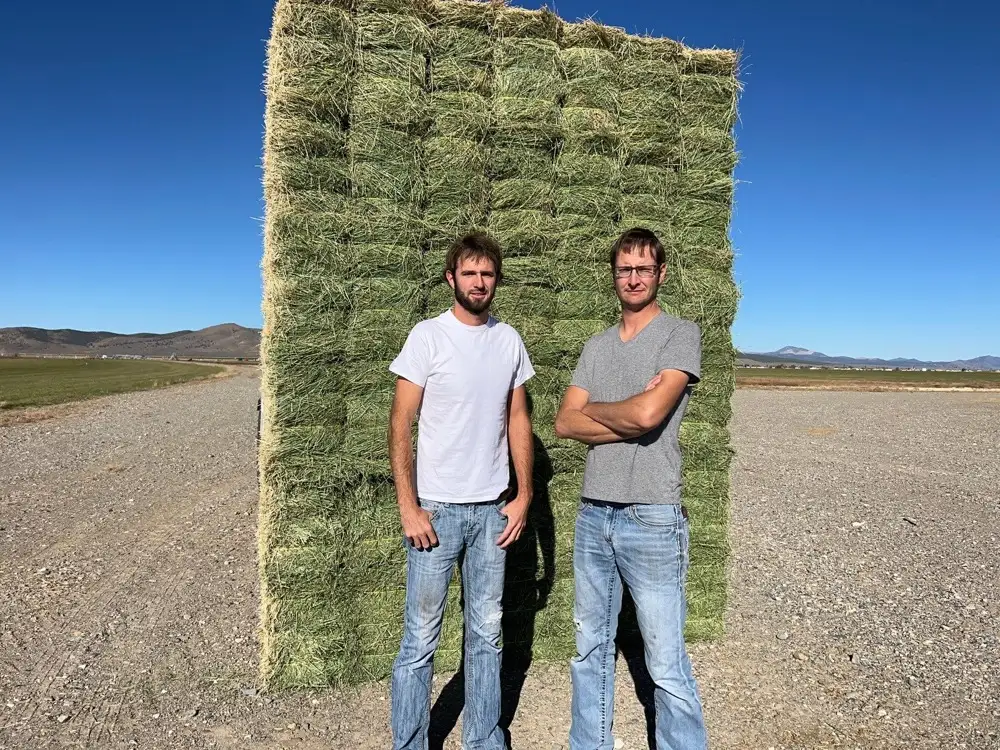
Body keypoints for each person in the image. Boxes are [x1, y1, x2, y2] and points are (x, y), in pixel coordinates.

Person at [555, 227, 707, 750]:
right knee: (588, 650)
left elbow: (648, 415)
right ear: (614, 276)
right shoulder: (596, 346)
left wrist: (599, 411)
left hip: (652, 516)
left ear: (661, 274)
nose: (634, 277)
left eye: (644, 268)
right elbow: (564, 424)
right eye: (625, 269)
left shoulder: (679, 334)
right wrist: (623, 414)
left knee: (664, 659)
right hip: (594, 513)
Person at [389, 232, 535, 750]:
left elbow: (519, 418)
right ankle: (408, 743)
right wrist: (409, 506)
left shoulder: (508, 341)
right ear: (452, 278)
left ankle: (484, 740)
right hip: (436, 513)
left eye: (488, 274)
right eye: (469, 273)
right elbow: (400, 423)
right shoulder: (427, 337)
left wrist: (523, 496)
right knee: (420, 641)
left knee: (487, 636)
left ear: (497, 280)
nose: (479, 282)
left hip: (493, 512)